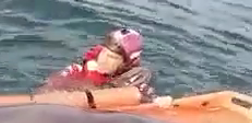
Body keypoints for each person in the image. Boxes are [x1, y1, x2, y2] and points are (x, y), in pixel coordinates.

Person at [37, 28, 172, 106]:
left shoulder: (137, 77)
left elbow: (144, 97)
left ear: (127, 63)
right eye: (104, 52)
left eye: (112, 57)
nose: (103, 59)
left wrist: (157, 101)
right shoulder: (78, 69)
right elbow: (44, 92)